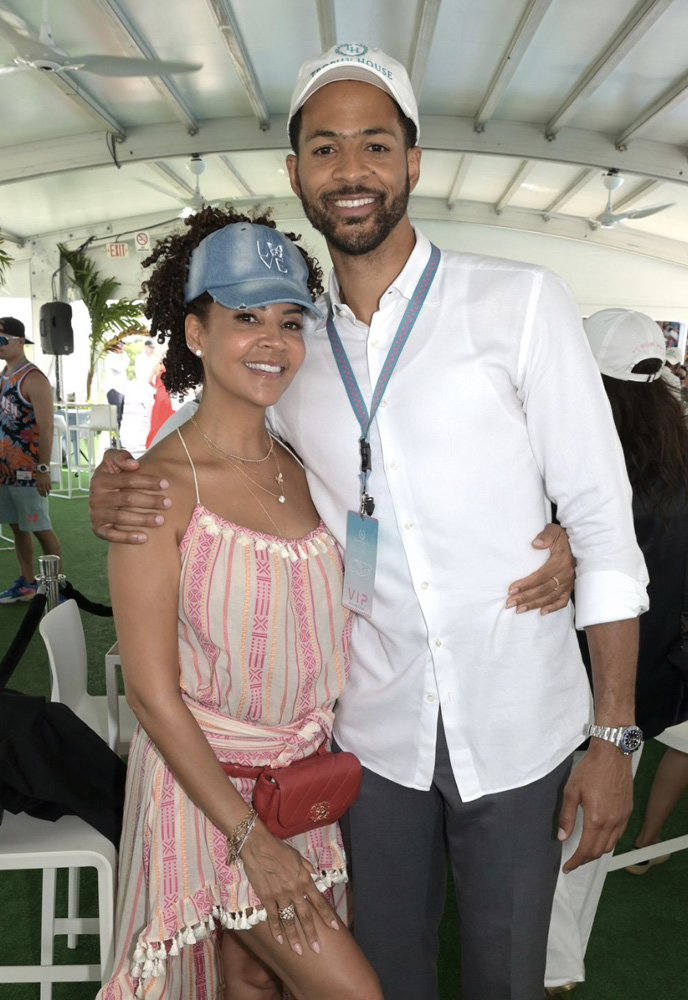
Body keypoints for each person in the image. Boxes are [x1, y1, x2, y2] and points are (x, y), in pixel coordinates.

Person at [89, 46, 648, 1000]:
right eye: (326, 148)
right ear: (297, 172)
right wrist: (116, 482)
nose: (352, 170)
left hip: (518, 725)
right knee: (385, 975)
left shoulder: (517, 304)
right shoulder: (295, 348)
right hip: (370, 737)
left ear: (414, 162)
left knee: (506, 979)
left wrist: (615, 734)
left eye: (375, 145)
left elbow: (602, 521)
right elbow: (200, 441)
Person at [97, 211, 383, 1000]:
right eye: (245, 317)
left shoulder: (308, 463)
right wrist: (250, 839)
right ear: (195, 332)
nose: (271, 340)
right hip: (213, 801)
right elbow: (153, 697)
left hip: (304, 790)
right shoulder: (155, 488)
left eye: (289, 321)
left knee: (252, 979)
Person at [545, 309, 688, 994]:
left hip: (571, 686)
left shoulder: (579, 477)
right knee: (592, 834)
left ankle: (550, 963)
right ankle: (563, 964)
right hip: (641, 694)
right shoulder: (678, 462)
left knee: (552, 832)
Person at [0, 317, 62, 603]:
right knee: (16, 526)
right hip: (5, 471)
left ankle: (57, 587)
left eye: (2, 340)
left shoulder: (33, 378)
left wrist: (43, 469)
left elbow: (47, 427)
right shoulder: (4, 374)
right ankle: (26, 582)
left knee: (40, 528)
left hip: (28, 472)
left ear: (20, 341)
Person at [103, 342, 129, 432]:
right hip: (114, 390)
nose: (122, 347)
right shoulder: (110, 357)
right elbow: (121, 368)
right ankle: (114, 439)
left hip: (120, 390)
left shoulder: (117, 357)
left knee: (119, 416)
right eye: (120, 346)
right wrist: (125, 355)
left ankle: (117, 439)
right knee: (115, 416)